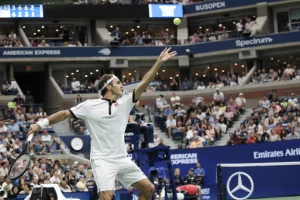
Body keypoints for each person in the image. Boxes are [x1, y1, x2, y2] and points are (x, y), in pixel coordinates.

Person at [28, 47, 177, 200]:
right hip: (102, 160)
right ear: (108, 86)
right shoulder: (90, 106)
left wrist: (159, 62)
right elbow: (64, 114)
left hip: (122, 158)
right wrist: (41, 124)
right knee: (106, 196)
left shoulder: (125, 102)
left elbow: (145, 82)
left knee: (148, 188)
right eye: (118, 83)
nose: (122, 85)